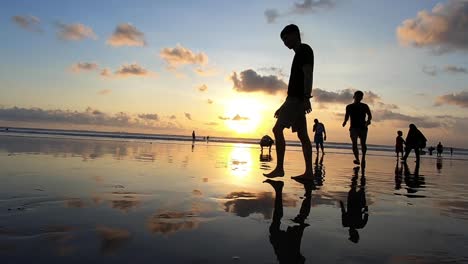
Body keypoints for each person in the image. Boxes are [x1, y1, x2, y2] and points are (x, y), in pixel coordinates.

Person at [263, 24, 314, 180]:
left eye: (286, 37)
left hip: (297, 100)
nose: (285, 41)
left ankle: (279, 168)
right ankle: (309, 173)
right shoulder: (298, 54)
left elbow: (308, 74)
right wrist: (283, 105)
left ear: (296, 34)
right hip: (294, 100)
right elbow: (295, 84)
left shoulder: (304, 50)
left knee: (277, 130)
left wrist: (306, 97)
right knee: (303, 136)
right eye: (283, 39)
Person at [342, 91, 372, 165]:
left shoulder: (365, 106)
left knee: (363, 144)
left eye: (360, 96)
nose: (358, 98)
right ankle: (357, 159)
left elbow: (370, 116)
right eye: (357, 96)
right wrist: (345, 121)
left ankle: (363, 157)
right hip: (353, 128)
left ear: (362, 98)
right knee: (354, 143)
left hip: (363, 127)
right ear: (354, 97)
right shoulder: (349, 106)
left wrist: (368, 121)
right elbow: (347, 115)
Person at [340, 166, 368, 243]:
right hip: (354, 202)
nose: (349, 233)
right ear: (355, 233)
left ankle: (360, 173)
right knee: (357, 186)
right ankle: (359, 173)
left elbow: (366, 215)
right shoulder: (346, 224)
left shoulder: (360, 225)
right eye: (351, 235)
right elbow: (343, 212)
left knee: (359, 186)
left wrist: (366, 208)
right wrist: (366, 208)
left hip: (356, 203)